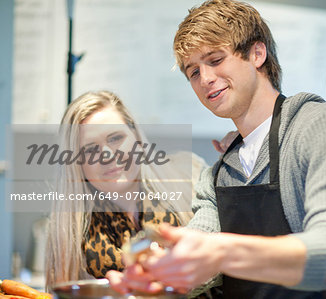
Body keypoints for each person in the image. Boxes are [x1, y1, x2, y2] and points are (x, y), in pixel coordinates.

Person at [108, 0, 326, 298]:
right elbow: (198, 250)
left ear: (257, 54)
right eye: (193, 72)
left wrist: (222, 251)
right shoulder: (219, 172)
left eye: (216, 60)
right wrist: (157, 275)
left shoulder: (317, 127)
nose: (205, 79)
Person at [45, 91, 208, 287]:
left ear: (136, 137)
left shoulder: (190, 173)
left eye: (115, 138)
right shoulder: (67, 229)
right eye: (89, 149)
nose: (106, 155)